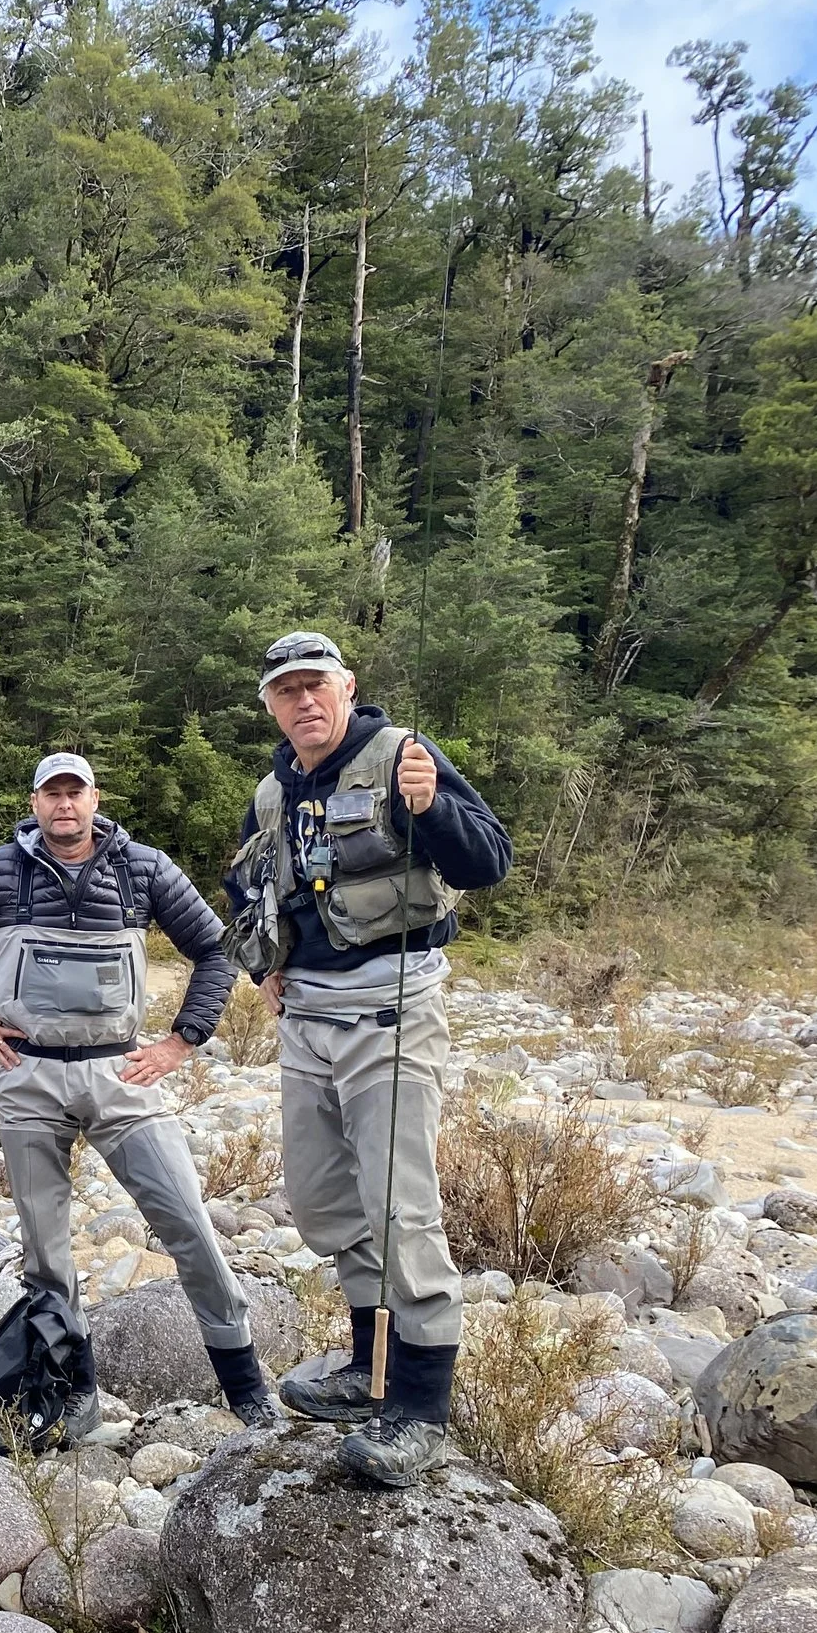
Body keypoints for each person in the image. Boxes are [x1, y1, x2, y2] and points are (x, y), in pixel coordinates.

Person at [0, 753, 275, 1436]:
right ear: (35, 803)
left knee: (189, 1225)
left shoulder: (145, 868)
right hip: (27, 1078)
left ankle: (246, 1385)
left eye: (74, 792)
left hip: (120, 1075)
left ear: (94, 798)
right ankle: (76, 1393)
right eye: (52, 793)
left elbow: (217, 948)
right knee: (46, 1255)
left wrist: (180, 1042)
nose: (64, 804)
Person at [223, 631, 511, 1485]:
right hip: (305, 1017)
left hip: (391, 1007)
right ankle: (367, 1364)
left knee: (399, 1206)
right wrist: (264, 966)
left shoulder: (401, 756)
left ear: (346, 687)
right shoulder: (273, 790)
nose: (304, 700)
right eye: (286, 691)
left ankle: (419, 1408)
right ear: (271, 706)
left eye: (316, 684)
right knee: (322, 1200)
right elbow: (248, 887)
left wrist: (431, 808)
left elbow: (488, 860)